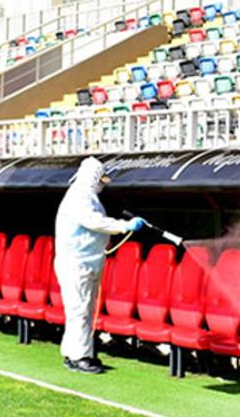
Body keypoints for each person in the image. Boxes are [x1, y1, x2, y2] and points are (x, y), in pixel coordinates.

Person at [55, 157, 146, 374]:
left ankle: (74, 352)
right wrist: (124, 226)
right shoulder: (80, 197)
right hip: (77, 263)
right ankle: (80, 357)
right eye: (101, 180)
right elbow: (95, 222)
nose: (103, 185)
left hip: (88, 262)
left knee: (82, 309)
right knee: (79, 310)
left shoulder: (89, 197)